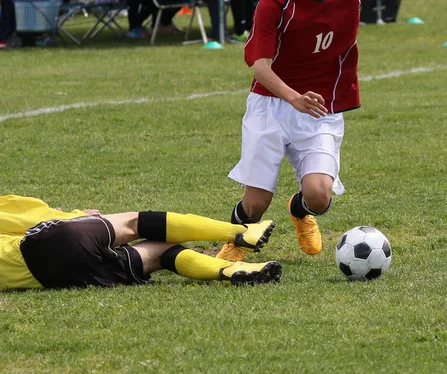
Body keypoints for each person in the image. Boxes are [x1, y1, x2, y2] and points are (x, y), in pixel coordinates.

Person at [216, 0, 361, 262]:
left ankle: (299, 207)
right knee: (256, 204)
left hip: (320, 107)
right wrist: (294, 98)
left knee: (318, 195)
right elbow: (260, 67)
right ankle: (237, 238)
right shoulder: (273, 5)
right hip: (270, 106)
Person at [0, 195, 281, 291]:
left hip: (55, 279)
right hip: (45, 245)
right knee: (135, 222)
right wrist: (75, 216)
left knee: (160, 254)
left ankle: (228, 271)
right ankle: (241, 232)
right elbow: (26, 216)